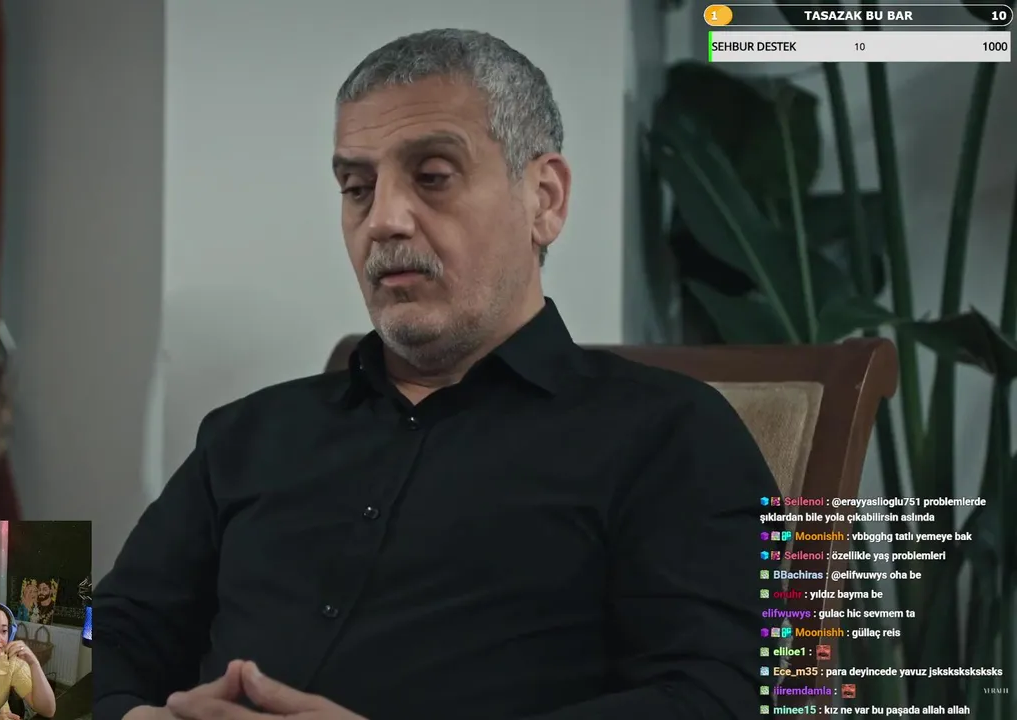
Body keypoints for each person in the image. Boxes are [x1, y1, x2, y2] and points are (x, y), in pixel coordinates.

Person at [95, 28, 777, 720]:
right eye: (357, 188)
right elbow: (89, 633)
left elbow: (739, 693)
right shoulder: (246, 434)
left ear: (544, 199)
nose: (383, 221)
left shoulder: (670, 432)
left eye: (433, 177)